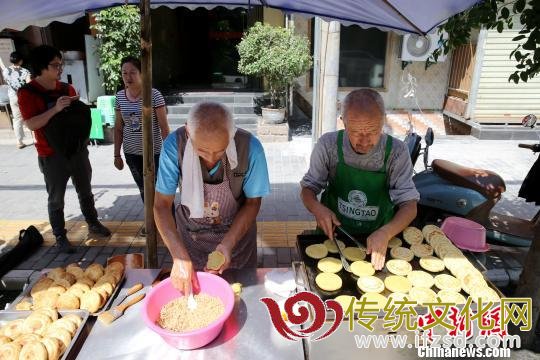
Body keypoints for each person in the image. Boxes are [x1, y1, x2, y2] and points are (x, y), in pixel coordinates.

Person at [154, 102, 270, 295]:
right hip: (191, 240)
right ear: (188, 132)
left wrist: (228, 244)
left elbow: (252, 203)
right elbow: (161, 205)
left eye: (219, 151)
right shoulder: (174, 146)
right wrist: (179, 256)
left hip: (237, 243)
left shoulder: (250, 148)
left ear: (231, 134)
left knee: (240, 295)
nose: (211, 159)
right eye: (202, 150)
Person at [300, 89, 419, 270]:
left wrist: (386, 233)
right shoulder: (328, 145)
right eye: (355, 132)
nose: (364, 141)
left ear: (383, 122)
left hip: (380, 237)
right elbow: (308, 189)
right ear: (344, 123)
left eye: (372, 131)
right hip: (334, 236)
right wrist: (317, 209)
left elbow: (410, 206)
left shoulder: (397, 152)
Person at [18, 45, 111, 253]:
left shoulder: (65, 88)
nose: (60, 69)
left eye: (60, 64)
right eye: (55, 65)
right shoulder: (27, 93)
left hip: (76, 150)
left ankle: (93, 222)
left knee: (85, 189)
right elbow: (31, 124)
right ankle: (60, 235)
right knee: (56, 197)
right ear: (41, 67)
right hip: (51, 155)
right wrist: (56, 109)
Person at [113, 56, 169, 205]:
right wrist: (116, 155)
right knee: (144, 190)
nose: (128, 77)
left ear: (142, 74)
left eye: (132, 72)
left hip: (154, 152)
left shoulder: (154, 95)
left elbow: (164, 127)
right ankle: (151, 224)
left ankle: (167, 225)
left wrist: (170, 154)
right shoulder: (119, 97)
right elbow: (118, 128)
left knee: (161, 191)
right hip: (132, 153)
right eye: (124, 73)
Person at [2, 51, 31, 149]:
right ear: (21, 60)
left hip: (13, 97)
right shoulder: (25, 71)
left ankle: (19, 141)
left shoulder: (5, 71)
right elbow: (29, 85)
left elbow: (8, 81)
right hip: (24, 97)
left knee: (17, 119)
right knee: (30, 116)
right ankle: (36, 137)